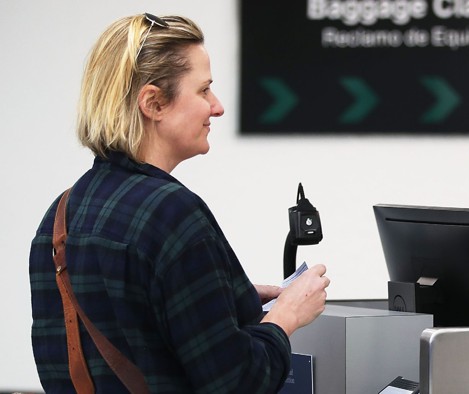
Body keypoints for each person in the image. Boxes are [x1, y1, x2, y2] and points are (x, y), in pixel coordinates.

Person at [29, 13, 330, 392]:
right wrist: (286, 318)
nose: (217, 107)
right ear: (153, 103)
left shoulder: (58, 217)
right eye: (203, 90)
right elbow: (239, 383)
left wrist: (218, 295)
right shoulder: (172, 212)